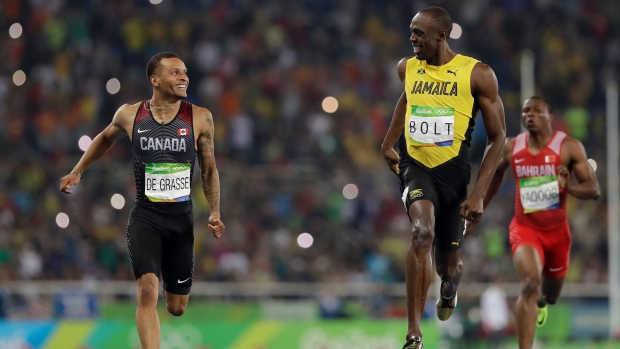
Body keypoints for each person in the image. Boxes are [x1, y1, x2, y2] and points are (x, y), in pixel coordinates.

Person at [59, 52, 225, 349]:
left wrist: (214, 210)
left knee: (176, 306)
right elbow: (104, 138)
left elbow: (209, 168)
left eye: (185, 72)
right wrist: (77, 171)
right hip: (145, 216)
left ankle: (171, 293)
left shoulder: (200, 116)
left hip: (180, 219)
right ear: (155, 79)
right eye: (174, 72)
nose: (183, 77)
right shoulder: (130, 114)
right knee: (147, 290)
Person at [380, 6, 506, 349]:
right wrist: (388, 143)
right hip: (415, 166)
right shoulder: (407, 67)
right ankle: (414, 331)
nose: (412, 38)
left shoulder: (476, 74)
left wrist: (478, 193)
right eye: (411, 31)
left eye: (419, 33)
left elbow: (499, 137)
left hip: (455, 175)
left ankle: (450, 283)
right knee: (421, 232)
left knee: (447, 266)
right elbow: (407, 99)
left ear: (441, 35)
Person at [465, 96, 600, 349]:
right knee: (529, 284)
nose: (530, 115)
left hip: (558, 234)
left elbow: (593, 189)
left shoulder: (569, 148)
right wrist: (478, 203)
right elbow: (495, 176)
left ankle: (542, 302)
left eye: (537, 111)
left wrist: (568, 186)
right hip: (525, 230)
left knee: (550, 294)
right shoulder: (512, 147)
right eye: (526, 111)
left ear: (549, 117)